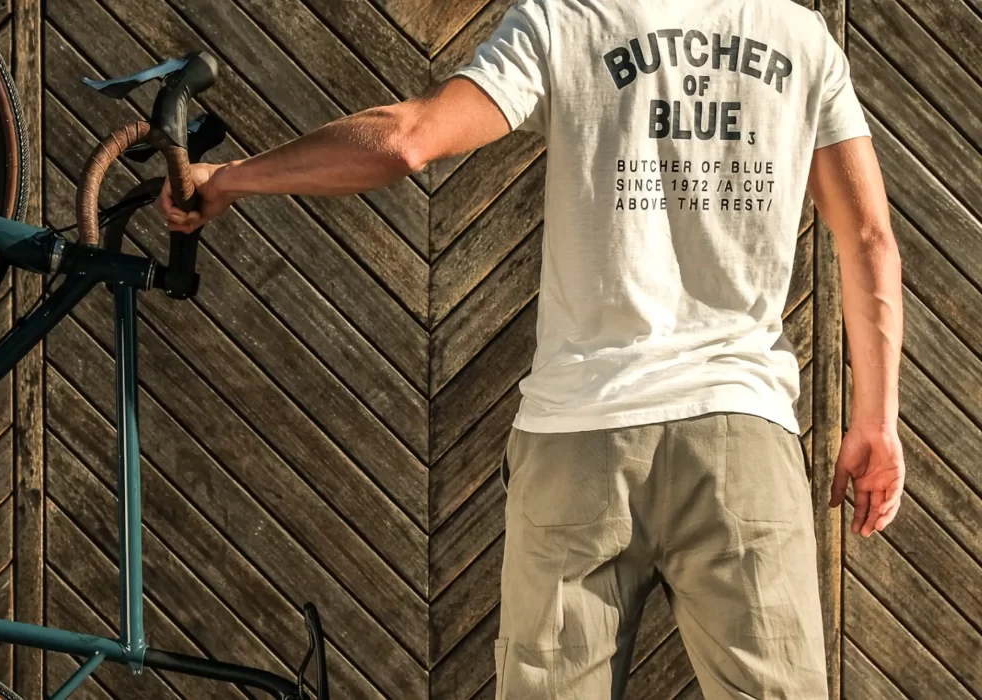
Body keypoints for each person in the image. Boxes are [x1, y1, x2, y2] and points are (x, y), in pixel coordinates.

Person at [157, 1, 905, 697]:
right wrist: (875, 422)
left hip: (581, 437)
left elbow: (405, 140)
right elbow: (868, 235)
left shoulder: (566, 22)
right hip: (739, 436)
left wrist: (230, 176)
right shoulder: (801, 41)